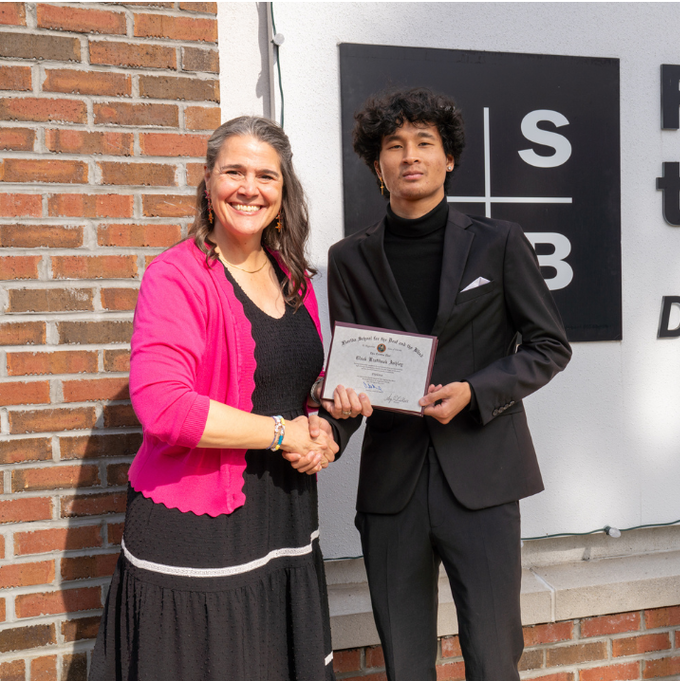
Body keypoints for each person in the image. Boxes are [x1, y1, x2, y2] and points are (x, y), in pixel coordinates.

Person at [316, 87, 572, 681]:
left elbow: (548, 346)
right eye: (394, 145)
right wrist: (332, 420)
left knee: (491, 654)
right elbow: (352, 372)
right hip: (392, 490)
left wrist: (476, 392)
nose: (410, 156)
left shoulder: (499, 242)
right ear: (377, 164)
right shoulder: (348, 259)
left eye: (424, 143)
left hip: (482, 482)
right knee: (405, 661)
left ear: (448, 157)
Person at [90, 116, 339, 681]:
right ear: (208, 183)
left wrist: (319, 428)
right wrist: (283, 433)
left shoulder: (293, 276)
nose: (249, 188)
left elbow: (298, 387)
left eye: (265, 176)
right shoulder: (175, 276)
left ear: (283, 191)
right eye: (233, 172)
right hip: (200, 537)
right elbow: (164, 407)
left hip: (284, 525)